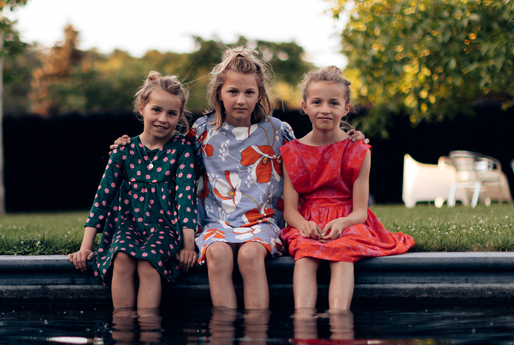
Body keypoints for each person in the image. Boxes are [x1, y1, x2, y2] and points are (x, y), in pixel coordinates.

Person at [114, 48, 365, 310]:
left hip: (263, 221)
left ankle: (256, 337)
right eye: (233, 92)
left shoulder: (278, 131)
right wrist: (129, 144)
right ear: (219, 93)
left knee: (250, 255)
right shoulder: (202, 130)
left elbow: (313, 152)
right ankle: (225, 336)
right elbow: (166, 149)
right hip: (216, 221)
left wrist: (351, 139)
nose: (241, 100)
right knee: (218, 256)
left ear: (259, 95)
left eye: (249, 92)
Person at [280, 66, 413, 310]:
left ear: (346, 108)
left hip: (349, 221)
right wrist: (303, 225)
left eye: (333, 103)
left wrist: (342, 223)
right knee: (305, 253)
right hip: (308, 220)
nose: (325, 109)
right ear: (304, 106)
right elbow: (290, 210)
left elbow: (361, 211)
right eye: (317, 102)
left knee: (342, 251)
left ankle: (338, 319)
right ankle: (303, 320)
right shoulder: (293, 153)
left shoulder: (357, 150)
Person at [68, 72, 198, 309]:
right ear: (142, 107)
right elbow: (102, 198)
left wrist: (188, 246)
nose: (163, 119)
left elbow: (185, 198)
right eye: (156, 110)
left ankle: (148, 335)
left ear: (180, 116)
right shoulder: (124, 150)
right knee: (122, 259)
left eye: (172, 113)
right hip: (128, 224)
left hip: (165, 227)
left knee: (148, 264)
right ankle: (123, 332)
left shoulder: (182, 149)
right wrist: (85, 247)